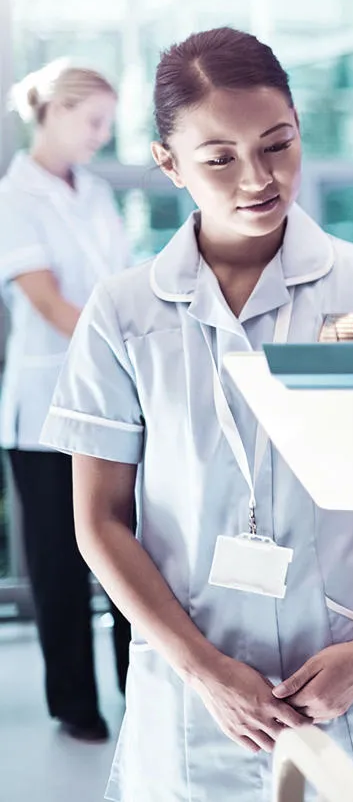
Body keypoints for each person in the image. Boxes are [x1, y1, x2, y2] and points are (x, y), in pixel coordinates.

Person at [40, 27, 353, 802]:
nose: (258, 178)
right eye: (219, 157)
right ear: (169, 164)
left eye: (278, 144)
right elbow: (100, 521)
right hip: (195, 687)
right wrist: (204, 670)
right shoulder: (125, 312)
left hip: (351, 677)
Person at [0, 60, 132, 742]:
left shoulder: (97, 192)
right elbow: (49, 302)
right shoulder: (14, 197)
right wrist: (132, 343)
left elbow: (120, 284)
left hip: (110, 396)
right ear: (52, 112)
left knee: (125, 552)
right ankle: (75, 707)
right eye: (93, 122)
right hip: (43, 403)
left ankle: (138, 694)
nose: (101, 137)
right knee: (58, 561)